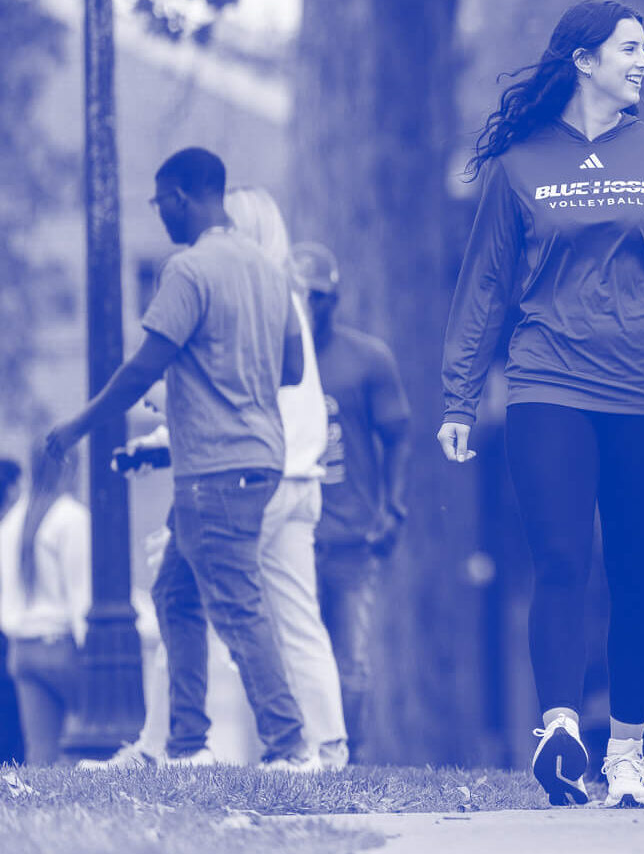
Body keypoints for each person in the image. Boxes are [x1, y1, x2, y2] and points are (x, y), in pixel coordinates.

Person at [440, 0, 644, 808]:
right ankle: (559, 730)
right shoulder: (519, 164)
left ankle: (627, 752)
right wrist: (459, 396)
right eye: (631, 48)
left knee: (634, 569)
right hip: (546, 382)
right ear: (583, 61)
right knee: (560, 560)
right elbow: (484, 285)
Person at [41, 146, 318, 771]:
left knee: (238, 607)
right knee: (175, 591)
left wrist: (78, 424)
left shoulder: (188, 271)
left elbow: (144, 368)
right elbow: (293, 368)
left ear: (182, 198)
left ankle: (289, 746)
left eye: (160, 203)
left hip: (214, 469)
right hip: (258, 458)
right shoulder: (267, 268)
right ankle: (188, 745)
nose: (160, 214)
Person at [222, 186, 351, 769]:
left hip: (263, 477)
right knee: (300, 619)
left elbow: (242, 392)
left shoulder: (253, 295)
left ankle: (176, 743)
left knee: (193, 599)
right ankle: (328, 744)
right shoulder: (290, 298)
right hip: (303, 478)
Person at [291, 241, 410, 765]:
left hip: (351, 535)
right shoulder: (273, 360)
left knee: (350, 659)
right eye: (297, 293)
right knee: (293, 651)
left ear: (333, 299)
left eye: (316, 295)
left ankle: (350, 758)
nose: (306, 304)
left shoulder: (367, 359)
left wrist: (393, 509)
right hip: (292, 531)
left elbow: (398, 436)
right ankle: (298, 753)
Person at [0, 454, 89, 764]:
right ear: (71, 468)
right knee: (87, 747)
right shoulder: (71, 517)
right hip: (62, 647)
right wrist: (91, 650)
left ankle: (40, 800)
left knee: (40, 755)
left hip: (21, 651)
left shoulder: (11, 520)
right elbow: (81, 592)